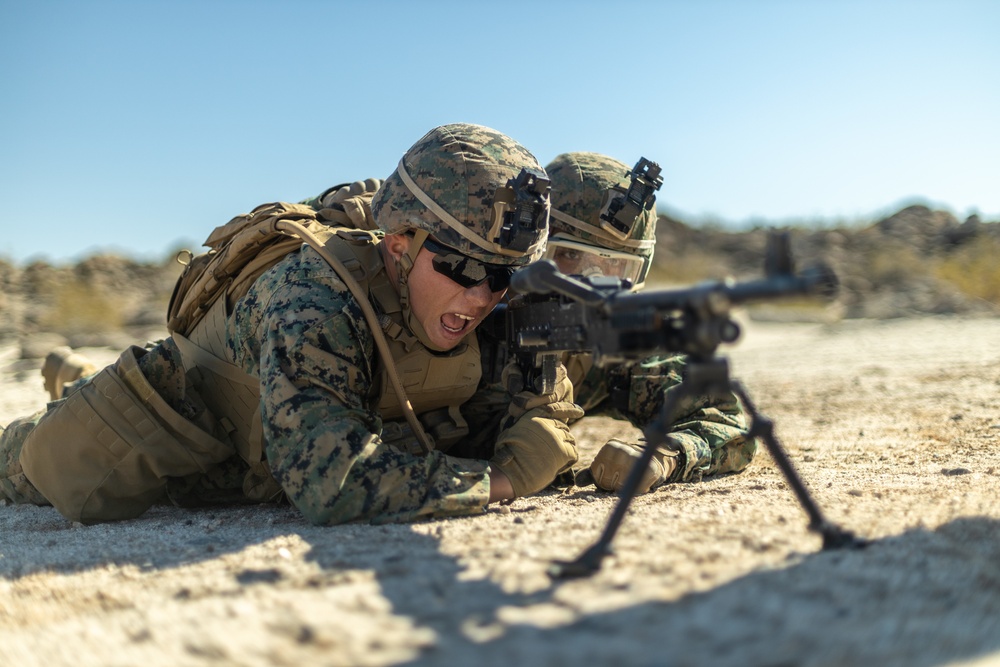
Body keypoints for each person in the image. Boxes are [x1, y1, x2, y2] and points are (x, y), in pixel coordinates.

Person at [0, 123, 581, 525]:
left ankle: (71, 371)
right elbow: (331, 481)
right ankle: (71, 385)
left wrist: (541, 423)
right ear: (400, 245)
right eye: (462, 266)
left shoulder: (495, 298)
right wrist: (501, 481)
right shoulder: (311, 299)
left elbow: (551, 397)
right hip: (194, 426)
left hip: (304, 424)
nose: (481, 296)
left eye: (502, 276)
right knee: (36, 467)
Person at [540, 152, 755, 493]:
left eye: (618, 269)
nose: (594, 287)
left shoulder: (613, 333)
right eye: (571, 256)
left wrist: (660, 456)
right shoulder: (470, 318)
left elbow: (725, 421)